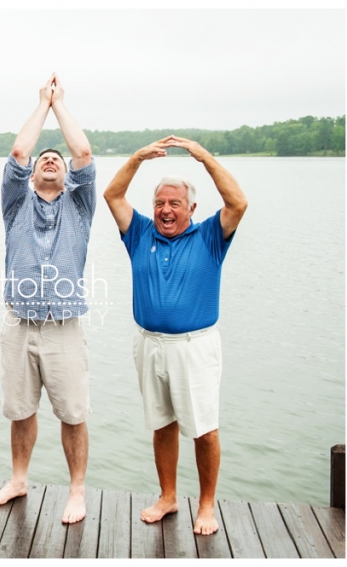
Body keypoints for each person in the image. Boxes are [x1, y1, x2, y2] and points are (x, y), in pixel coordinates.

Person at [103, 135, 248, 535]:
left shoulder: (210, 236)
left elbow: (238, 202)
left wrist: (203, 157)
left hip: (194, 347)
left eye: (174, 204)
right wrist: (137, 157)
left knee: (204, 427)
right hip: (149, 344)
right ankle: (168, 497)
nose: (165, 210)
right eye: (159, 203)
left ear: (191, 209)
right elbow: (112, 196)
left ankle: (206, 505)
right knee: (162, 424)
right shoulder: (139, 233)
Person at [0, 73, 96, 524]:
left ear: (67, 177)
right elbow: (18, 153)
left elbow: (83, 153)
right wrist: (41, 104)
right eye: (43, 159)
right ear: (31, 176)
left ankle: (77, 491)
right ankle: (18, 480)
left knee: (73, 413)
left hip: (64, 326)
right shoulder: (15, 204)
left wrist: (59, 104)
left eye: (57, 159)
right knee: (20, 409)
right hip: (19, 324)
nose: (51, 160)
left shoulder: (80, 206)